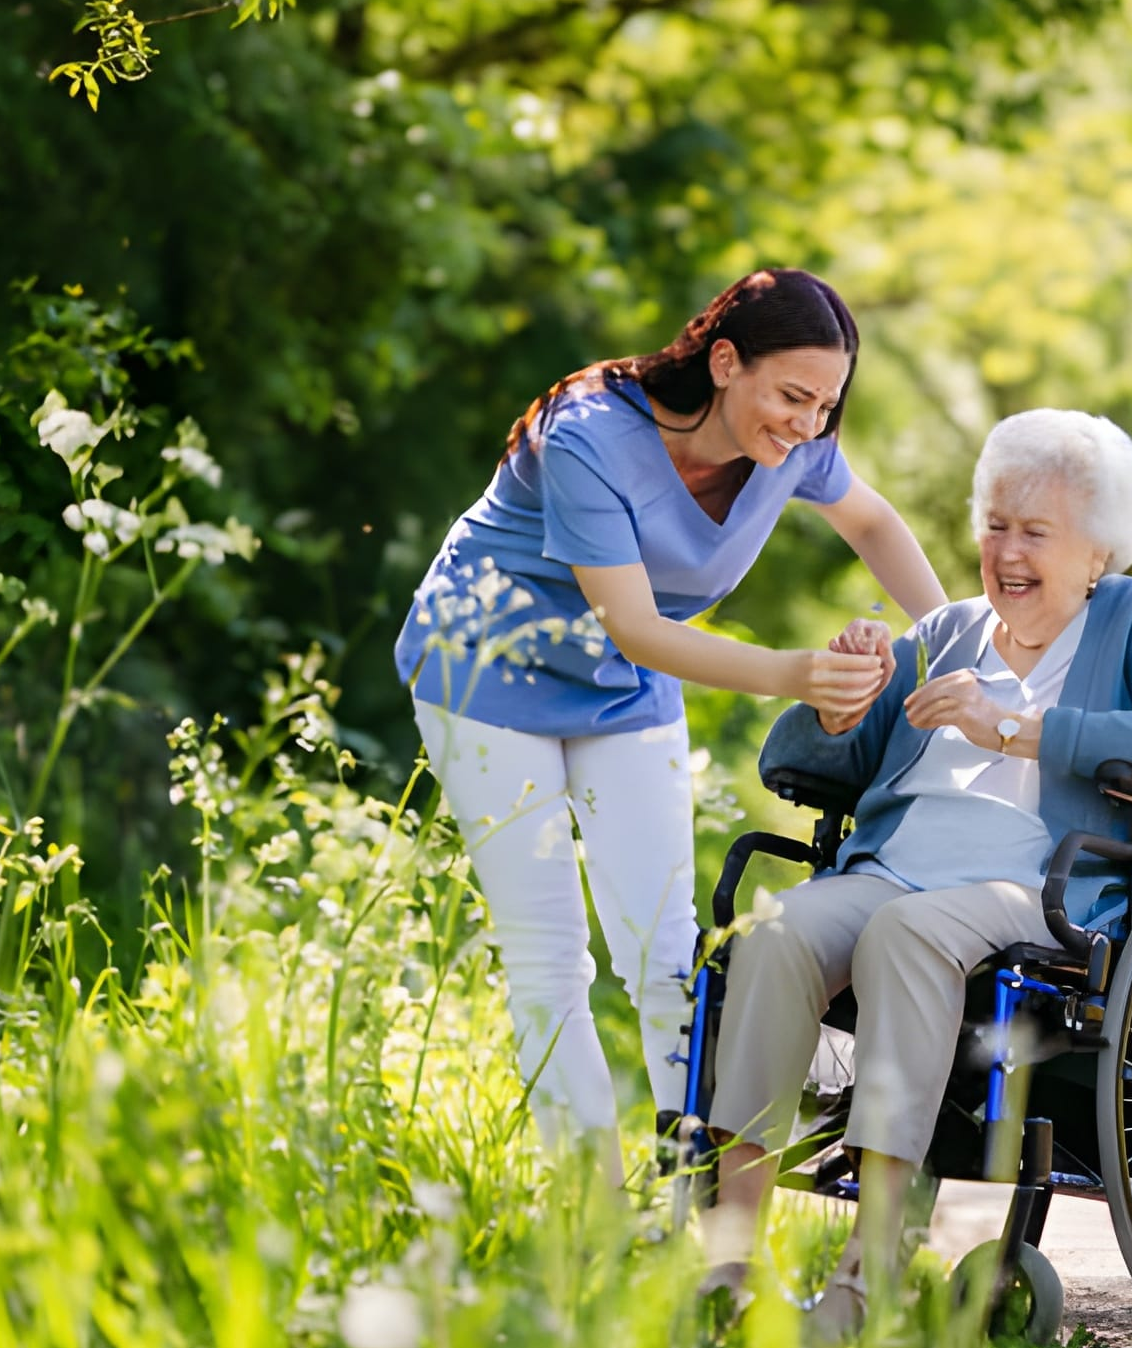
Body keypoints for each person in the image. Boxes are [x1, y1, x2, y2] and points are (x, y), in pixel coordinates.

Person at [394, 269, 946, 1182]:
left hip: (621, 691)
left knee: (666, 952)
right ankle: (592, 1206)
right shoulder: (589, 434)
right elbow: (638, 627)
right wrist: (793, 674)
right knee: (549, 954)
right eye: (793, 396)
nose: (808, 424)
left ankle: (696, 1195)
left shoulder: (797, 446)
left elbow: (875, 523)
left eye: (827, 405)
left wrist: (964, 645)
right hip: (485, 673)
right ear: (725, 362)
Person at [701, 408, 1132, 1336]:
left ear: (1097, 551)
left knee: (908, 933)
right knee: (773, 934)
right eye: (994, 524)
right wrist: (842, 698)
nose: (1005, 551)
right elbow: (807, 765)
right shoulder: (944, 632)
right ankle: (728, 1262)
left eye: (1035, 531)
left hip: (1039, 887)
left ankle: (869, 1272)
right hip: (891, 867)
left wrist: (1013, 728)